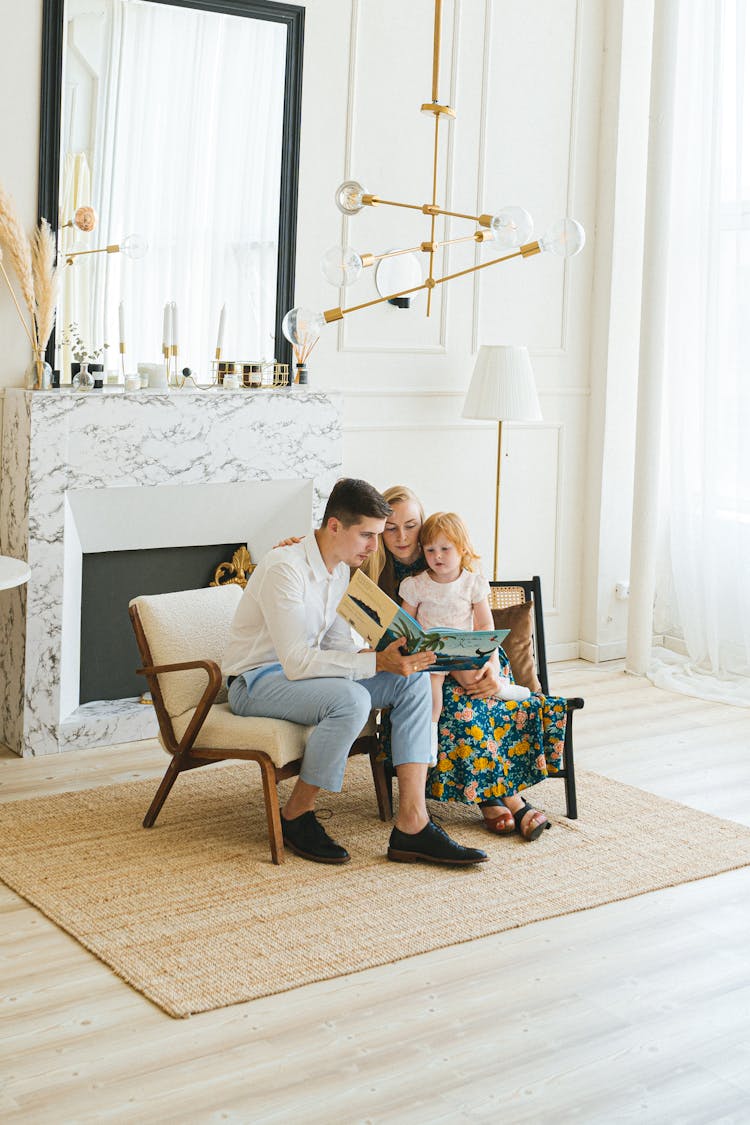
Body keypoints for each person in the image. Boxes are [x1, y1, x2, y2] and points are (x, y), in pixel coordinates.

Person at [222, 477, 488, 867]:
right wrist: (373, 663)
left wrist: (383, 656)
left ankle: (413, 824)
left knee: (411, 678)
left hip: (305, 676)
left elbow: (335, 648)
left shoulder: (341, 572)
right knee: (352, 699)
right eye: (367, 534)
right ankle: (295, 814)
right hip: (256, 681)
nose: (373, 546)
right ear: (334, 526)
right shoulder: (285, 569)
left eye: (377, 535)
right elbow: (296, 661)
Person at [364, 485, 566, 841]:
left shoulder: (455, 563)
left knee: (478, 698)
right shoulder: (375, 566)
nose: (401, 536)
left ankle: (495, 798)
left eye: (410, 526)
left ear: (423, 526)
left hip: (472, 655)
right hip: (421, 665)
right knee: (453, 708)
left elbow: (483, 623)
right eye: (391, 528)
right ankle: (506, 801)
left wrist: (488, 662)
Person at [399, 511, 530, 749]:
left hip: (463, 650)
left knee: (476, 680)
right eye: (430, 550)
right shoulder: (417, 585)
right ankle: (428, 740)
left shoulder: (472, 583)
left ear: (462, 549)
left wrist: (491, 661)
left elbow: (484, 625)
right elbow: (405, 622)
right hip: (431, 654)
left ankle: (501, 687)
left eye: (445, 549)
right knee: (429, 692)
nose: (436, 556)